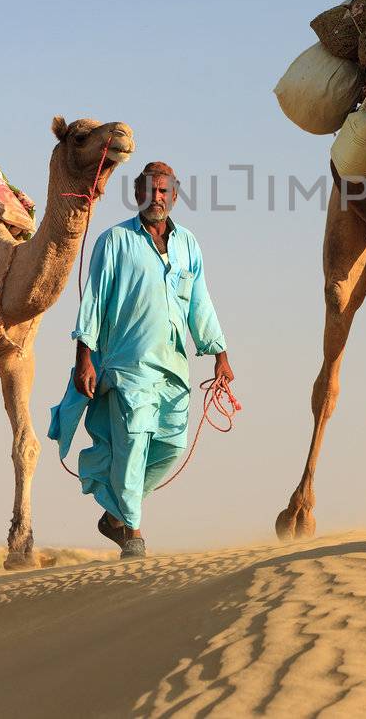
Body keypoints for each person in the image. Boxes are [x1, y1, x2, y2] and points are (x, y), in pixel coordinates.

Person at [47, 161, 233, 559]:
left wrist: (219, 353)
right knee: (132, 447)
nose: (157, 198)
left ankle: (114, 510)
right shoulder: (114, 241)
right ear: (137, 194)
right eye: (149, 190)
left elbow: (200, 302)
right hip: (127, 366)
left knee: (169, 446)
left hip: (174, 369)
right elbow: (93, 301)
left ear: (175, 195)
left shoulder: (188, 246)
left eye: (164, 191)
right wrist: (84, 358)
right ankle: (132, 534)